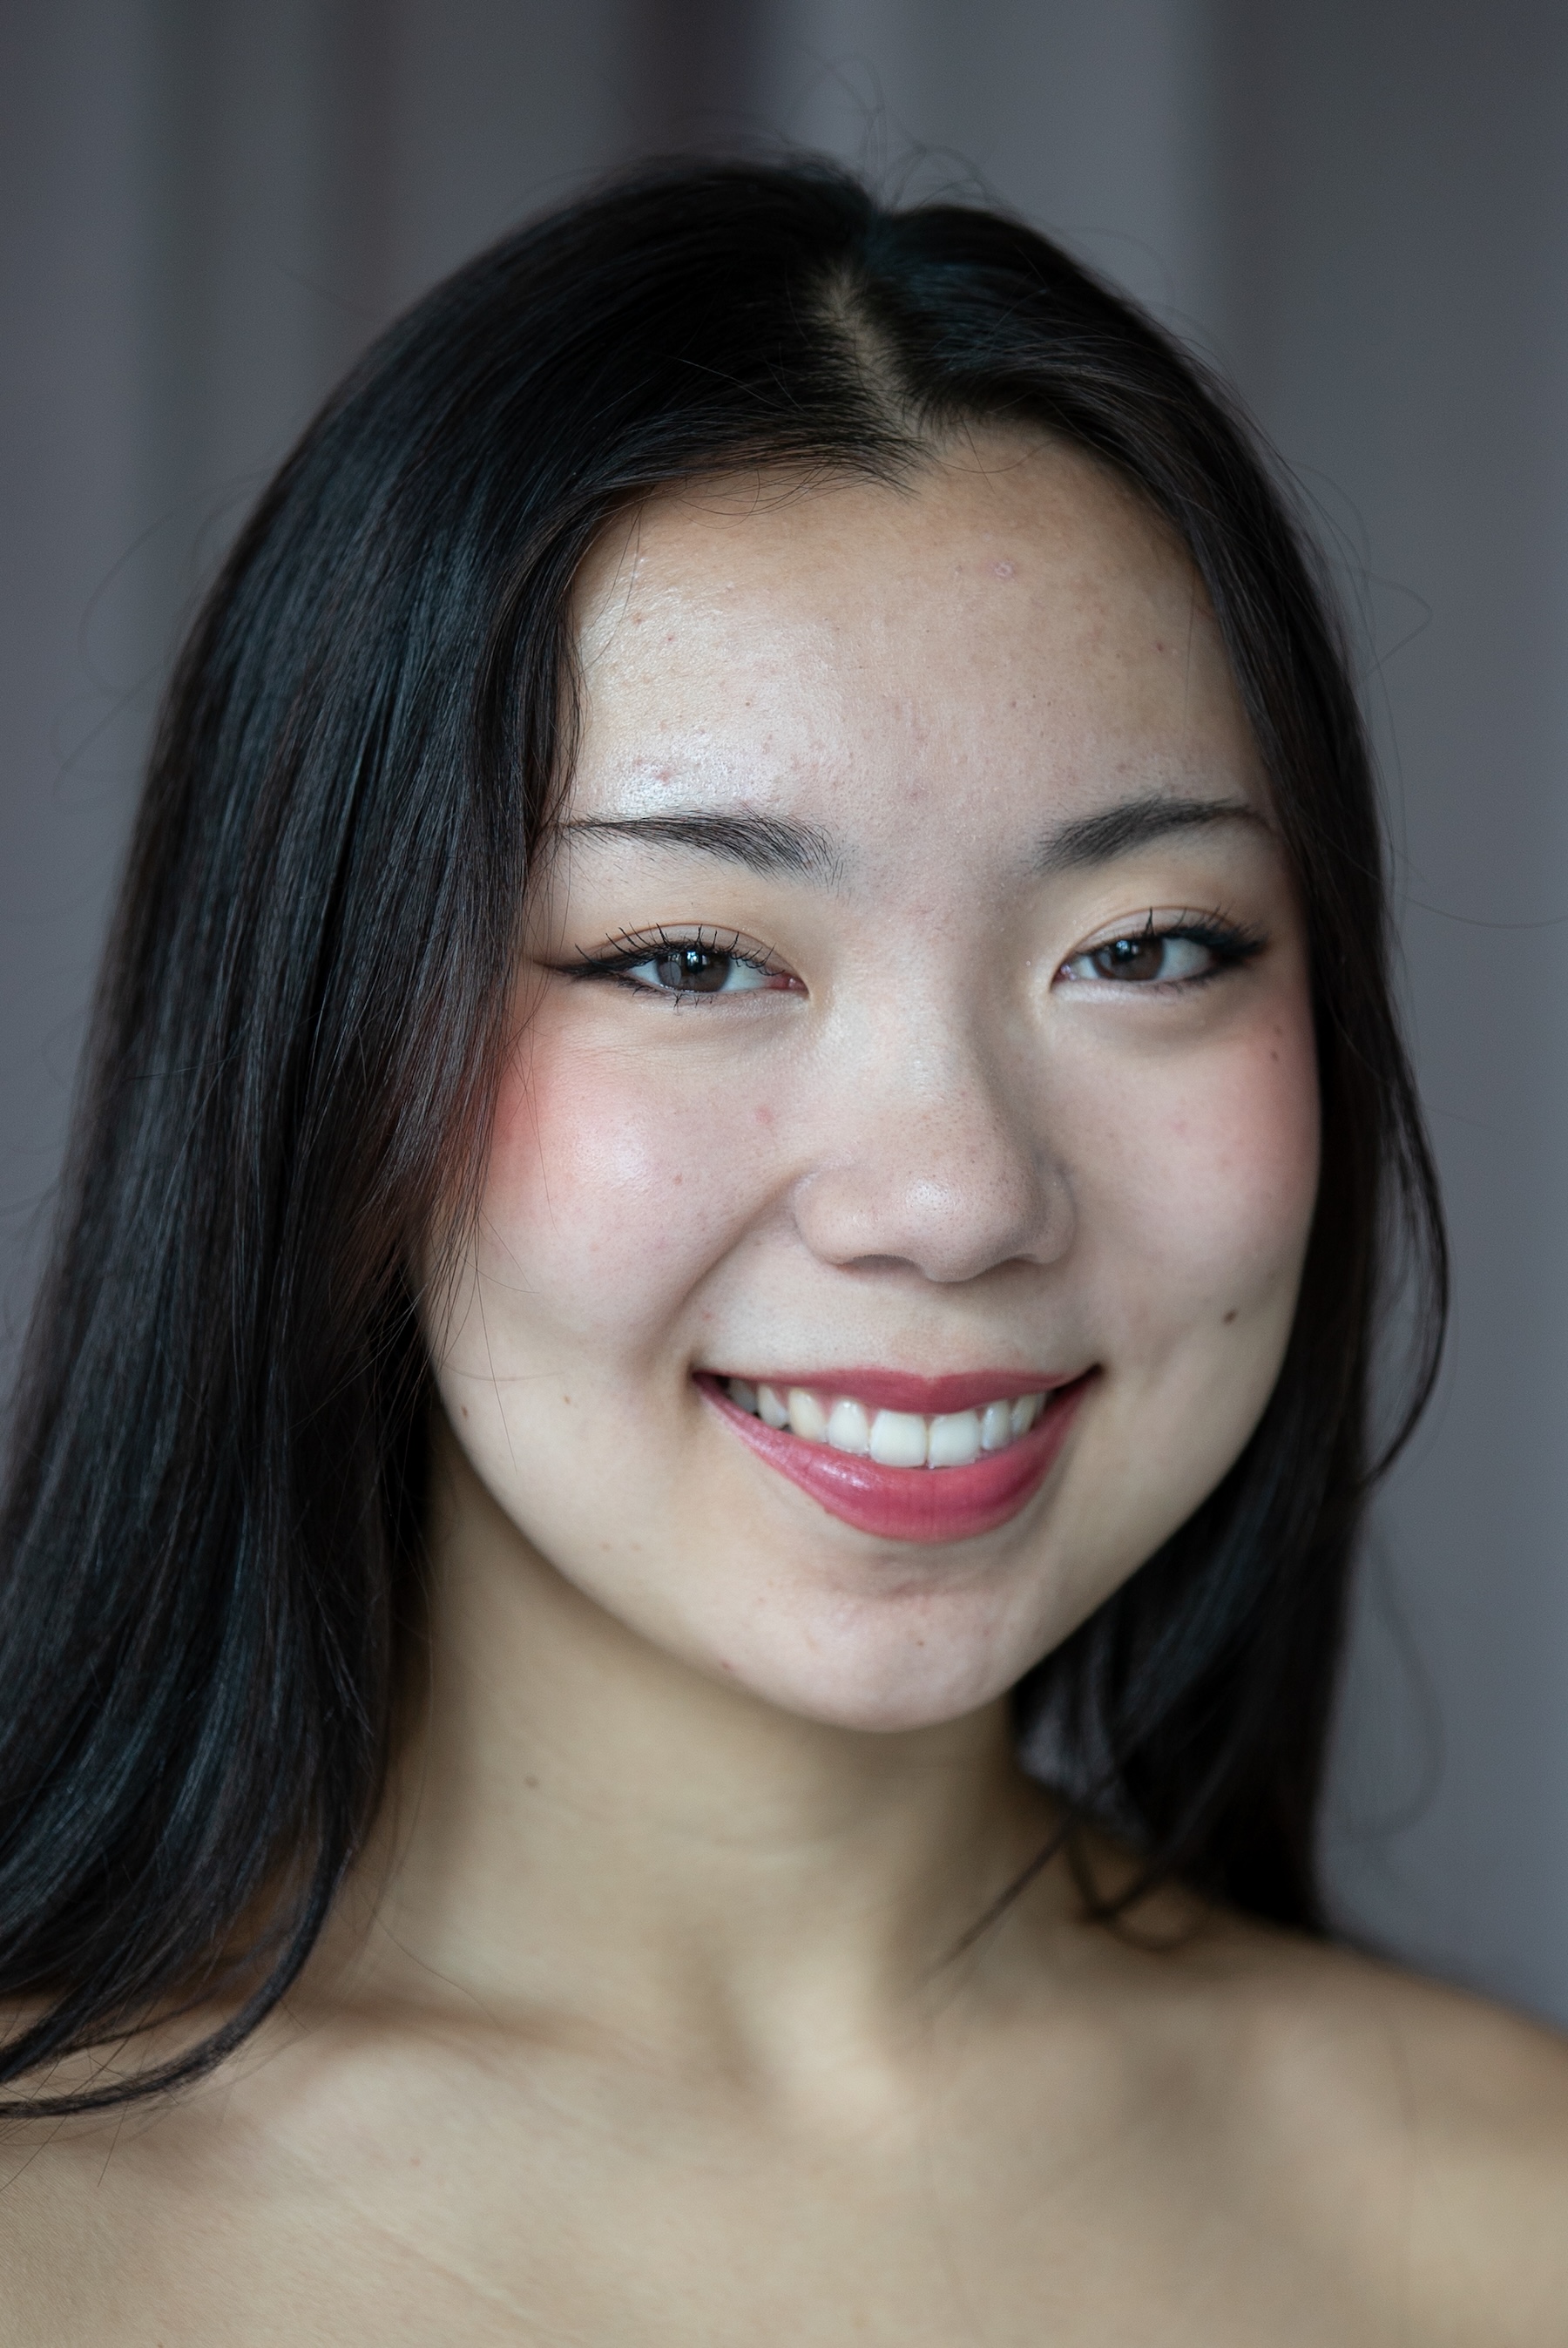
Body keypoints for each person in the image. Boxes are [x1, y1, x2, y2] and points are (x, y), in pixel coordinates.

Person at [1, 157, 1565, 2345]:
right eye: (685, 958)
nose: (950, 1195)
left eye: (1144, 944)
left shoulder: (1516, 2225)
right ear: (322, 1052)